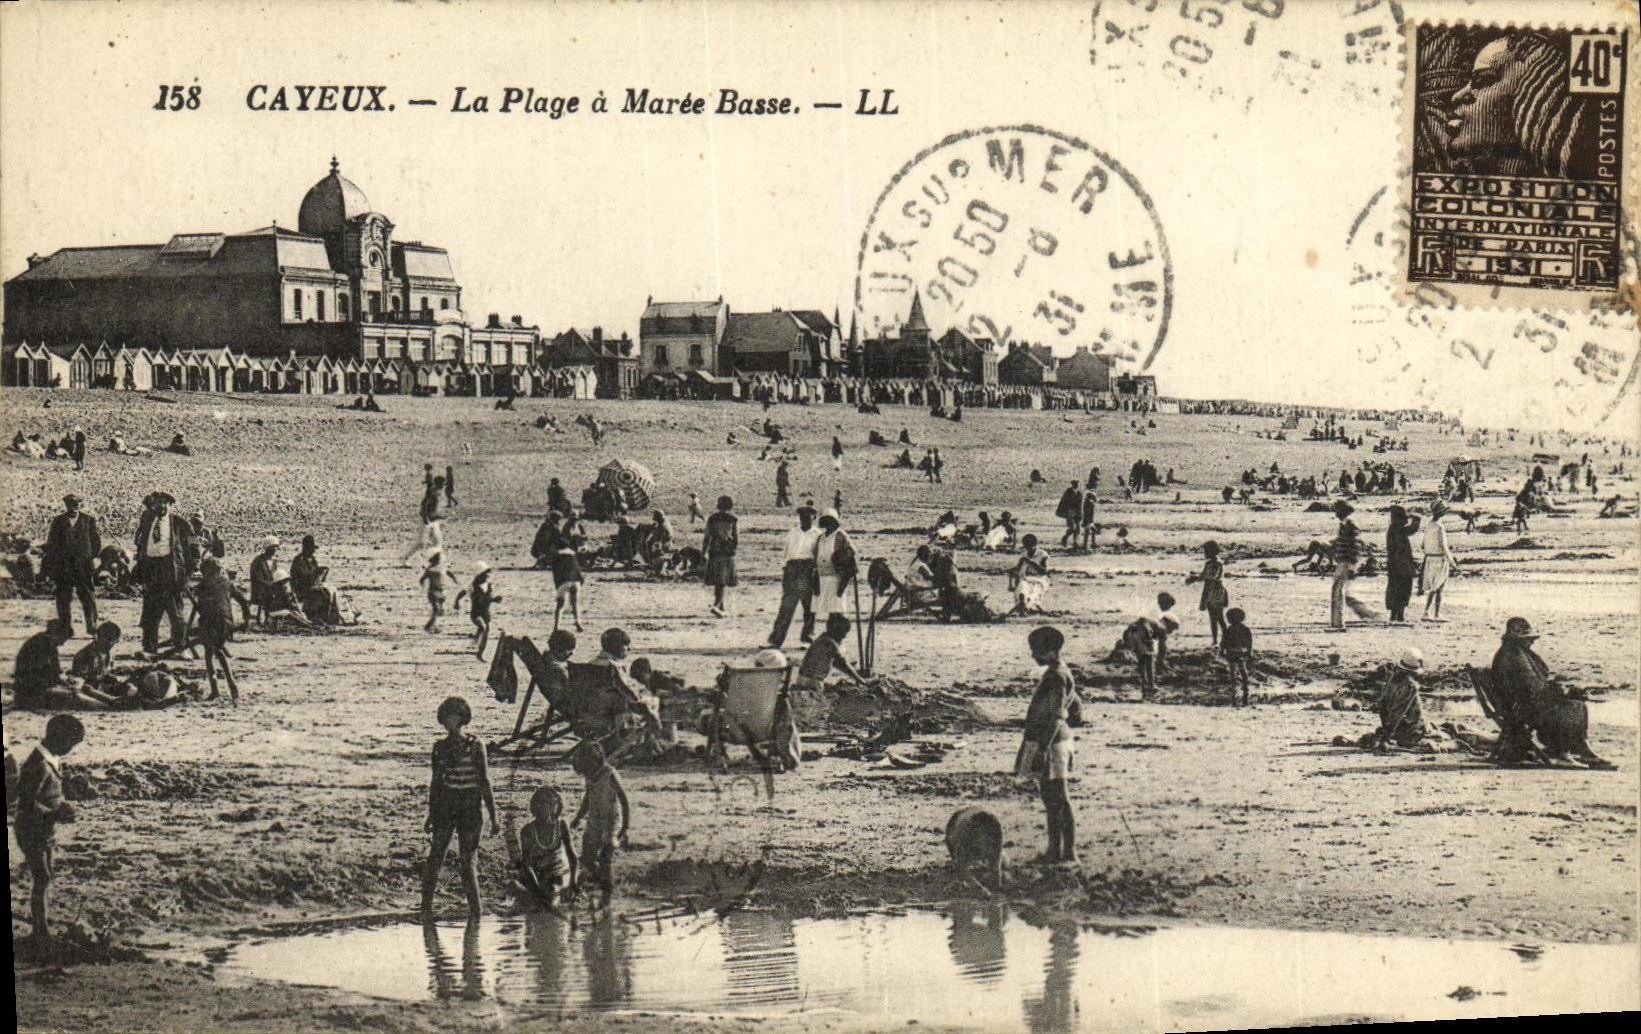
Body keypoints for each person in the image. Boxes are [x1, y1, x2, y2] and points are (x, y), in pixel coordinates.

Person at [1488, 617, 1611, 768]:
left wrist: (1562, 691)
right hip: (1522, 710)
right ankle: (1563, 752)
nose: (1532, 641)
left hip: (1517, 706)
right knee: (1574, 707)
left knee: (1575, 703)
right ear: (1518, 640)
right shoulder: (1515, 657)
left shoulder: (1512, 653)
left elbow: (1532, 687)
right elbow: (1533, 688)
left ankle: (1579, 749)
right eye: (1528, 638)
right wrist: (1563, 691)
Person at [421, 696, 498, 918]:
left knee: (467, 863)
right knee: (435, 858)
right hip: (446, 806)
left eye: (452, 717)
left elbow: (484, 782)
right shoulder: (439, 748)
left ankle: (476, 912)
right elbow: (436, 783)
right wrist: (431, 813)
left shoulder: (475, 746)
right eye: (445, 717)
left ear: (462, 718)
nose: (448, 722)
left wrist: (494, 816)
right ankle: (425, 909)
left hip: (470, 808)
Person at [1013, 626, 1082, 866]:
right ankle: (1055, 850)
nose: (1033, 656)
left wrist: (1042, 749)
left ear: (1052, 651)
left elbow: (1055, 716)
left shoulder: (1056, 676)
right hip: (1052, 739)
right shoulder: (1059, 673)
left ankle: (1069, 852)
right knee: (1050, 797)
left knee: (1059, 797)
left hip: (1052, 743)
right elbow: (1075, 709)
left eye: (1037, 651)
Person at [16, 713, 84, 943]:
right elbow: (26, 803)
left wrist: (61, 805)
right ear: (59, 739)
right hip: (31, 828)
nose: (70, 750)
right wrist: (55, 812)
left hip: (44, 828)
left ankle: (41, 926)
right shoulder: (38, 765)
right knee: (42, 876)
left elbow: (49, 794)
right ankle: (39, 930)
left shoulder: (50, 760)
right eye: (70, 745)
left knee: (46, 875)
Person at [134, 491, 195, 656]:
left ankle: (180, 648)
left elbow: (193, 551)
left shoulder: (180, 524)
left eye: (165, 503)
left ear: (170, 505)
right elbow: (139, 543)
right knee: (150, 613)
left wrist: (186, 574)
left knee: (175, 613)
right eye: (158, 503)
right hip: (151, 571)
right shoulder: (147, 521)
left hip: (171, 571)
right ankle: (149, 648)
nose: (161, 506)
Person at [570, 742, 629, 911]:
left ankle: (606, 898)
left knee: (605, 859)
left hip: (611, 823)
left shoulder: (610, 774)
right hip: (594, 822)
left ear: (596, 761)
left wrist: (625, 827)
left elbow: (624, 801)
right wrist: (578, 817)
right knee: (587, 858)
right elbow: (587, 799)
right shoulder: (590, 776)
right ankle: (604, 882)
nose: (586, 772)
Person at [44, 494, 100, 635]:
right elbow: (52, 544)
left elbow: (96, 543)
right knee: (63, 598)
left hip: (83, 567)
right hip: (64, 567)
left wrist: (89, 558)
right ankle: (65, 628)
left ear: (80, 505)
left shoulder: (88, 520)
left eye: (76, 505)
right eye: (70, 505)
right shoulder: (58, 521)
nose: (74, 508)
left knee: (87, 596)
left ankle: (92, 625)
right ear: (66, 506)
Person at [193, 557, 245, 703]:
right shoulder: (227, 583)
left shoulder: (203, 585)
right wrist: (245, 619)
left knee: (212, 654)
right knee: (217, 651)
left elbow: (201, 607)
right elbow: (242, 601)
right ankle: (230, 688)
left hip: (211, 623)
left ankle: (220, 689)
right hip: (226, 623)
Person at [768, 505, 819, 648]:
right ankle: (776, 640)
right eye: (802, 517)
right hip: (792, 569)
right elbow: (786, 552)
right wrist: (786, 568)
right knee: (786, 606)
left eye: (808, 517)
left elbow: (818, 556)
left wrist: (814, 572)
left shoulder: (817, 535)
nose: (804, 520)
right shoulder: (793, 532)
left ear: (814, 518)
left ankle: (807, 639)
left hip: (807, 569)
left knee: (808, 606)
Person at [516, 786, 576, 908]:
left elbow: (572, 857)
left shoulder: (561, 825)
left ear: (553, 807)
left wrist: (573, 883)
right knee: (513, 885)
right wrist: (536, 889)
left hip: (558, 872)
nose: (540, 806)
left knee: (552, 893)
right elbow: (526, 864)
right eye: (538, 802)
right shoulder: (527, 831)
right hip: (539, 874)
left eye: (545, 803)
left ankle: (551, 900)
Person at [1368, 648, 1429, 750]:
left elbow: (1384, 706)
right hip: (1408, 730)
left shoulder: (1393, 680)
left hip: (1400, 727)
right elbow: (1398, 712)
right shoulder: (1409, 685)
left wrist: (1386, 731)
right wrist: (1389, 734)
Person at [793, 613, 870, 693]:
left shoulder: (821, 639)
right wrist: (860, 680)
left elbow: (838, 663)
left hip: (802, 678)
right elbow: (843, 665)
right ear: (836, 630)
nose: (844, 637)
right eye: (843, 633)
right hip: (812, 682)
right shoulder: (830, 644)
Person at [1121, 593, 1178, 699]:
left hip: (1130, 632)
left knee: (1142, 660)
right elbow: (1162, 648)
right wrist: (1161, 661)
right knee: (1150, 659)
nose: (1171, 632)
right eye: (1173, 628)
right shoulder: (1162, 627)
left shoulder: (1154, 621)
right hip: (1143, 631)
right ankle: (1151, 685)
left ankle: (1144, 684)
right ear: (1168, 623)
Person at [1327, 500, 1372, 631]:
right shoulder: (1345, 524)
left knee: (1338, 590)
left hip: (1347, 562)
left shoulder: (1351, 525)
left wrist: (1353, 565)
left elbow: (1356, 546)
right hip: (1343, 561)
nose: (1335, 513)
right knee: (1343, 592)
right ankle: (1369, 614)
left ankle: (1338, 624)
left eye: (1337, 510)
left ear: (1343, 511)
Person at [12, 618, 73, 707]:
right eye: (63, 639)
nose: (62, 643)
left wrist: (65, 682)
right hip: (29, 692)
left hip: (38, 688)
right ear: (55, 634)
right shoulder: (38, 644)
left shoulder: (50, 646)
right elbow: (38, 673)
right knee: (71, 698)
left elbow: (55, 672)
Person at [811, 508, 857, 626]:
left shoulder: (840, 535)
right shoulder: (821, 537)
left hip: (836, 578)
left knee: (836, 610)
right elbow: (815, 554)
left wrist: (840, 560)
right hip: (822, 577)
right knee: (822, 608)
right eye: (825, 520)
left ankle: (836, 634)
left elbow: (851, 552)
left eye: (830, 520)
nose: (828, 523)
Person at [1421, 502, 1460, 622]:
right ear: (1441, 513)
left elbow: (1423, 545)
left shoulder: (1429, 525)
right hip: (1439, 559)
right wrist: (1453, 563)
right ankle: (1435, 614)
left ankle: (1427, 612)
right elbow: (1444, 546)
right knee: (1439, 588)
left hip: (1429, 559)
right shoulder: (1440, 527)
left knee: (1433, 587)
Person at [1185, 540, 1229, 645]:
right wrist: (1196, 578)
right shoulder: (1213, 563)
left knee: (1218, 617)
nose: (1204, 553)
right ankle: (1217, 640)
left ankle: (1223, 639)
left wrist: (1194, 578)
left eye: (1205, 550)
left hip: (1214, 590)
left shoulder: (1215, 563)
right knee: (1214, 618)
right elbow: (1205, 576)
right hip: (1212, 590)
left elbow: (1209, 577)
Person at [454, 563, 501, 659]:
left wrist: (495, 600)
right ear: (479, 574)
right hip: (476, 613)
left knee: (486, 633)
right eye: (485, 574)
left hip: (486, 613)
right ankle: (475, 641)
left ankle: (480, 653)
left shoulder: (489, 585)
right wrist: (457, 602)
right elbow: (463, 593)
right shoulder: (473, 586)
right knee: (482, 627)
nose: (487, 576)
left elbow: (488, 598)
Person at [1384, 505, 1422, 624]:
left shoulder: (1393, 529)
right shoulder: (1397, 530)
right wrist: (1416, 517)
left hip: (1394, 565)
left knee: (1395, 589)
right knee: (1403, 589)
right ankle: (1399, 616)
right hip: (1401, 565)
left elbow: (1411, 529)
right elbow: (1412, 529)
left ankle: (1394, 615)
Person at [702, 495, 739, 618]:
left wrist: (703, 552)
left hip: (714, 552)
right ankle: (717, 605)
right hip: (727, 552)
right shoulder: (733, 519)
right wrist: (733, 549)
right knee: (722, 581)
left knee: (718, 580)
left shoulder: (712, 519)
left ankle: (721, 607)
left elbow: (707, 537)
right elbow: (736, 537)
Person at [552, 512, 585, 633]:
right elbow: (578, 572)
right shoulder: (572, 555)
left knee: (560, 605)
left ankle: (556, 627)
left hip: (564, 581)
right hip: (575, 580)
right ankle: (578, 622)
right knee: (575, 603)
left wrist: (557, 586)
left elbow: (556, 573)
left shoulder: (557, 556)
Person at [403, 475, 447, 566]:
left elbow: (435, 508)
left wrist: (439, 516)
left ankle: (437, 561)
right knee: (421, 543)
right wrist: (425, 517)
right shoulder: (432, 492)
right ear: (438, 484)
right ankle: (406, 559)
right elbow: (424, 505)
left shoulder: (439, 492)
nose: (443, 486)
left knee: (438, 541)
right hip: (427, 520)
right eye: (442, 484)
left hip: (434, 521)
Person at [1009, 534, 1051, 615]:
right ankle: (1022, 604)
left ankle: (1026, 607)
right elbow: (1018, 568)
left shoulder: (1043, 555)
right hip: (1027, 578)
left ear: (1035, 545)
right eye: (1026, 547)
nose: (1028, 549)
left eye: (1029, 547)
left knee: (1034, 592)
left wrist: (1030, 562)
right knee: (1022, 588)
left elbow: (1044, 571)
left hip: (1040, 579)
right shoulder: (1025, 555)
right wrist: (1011, 573)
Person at [1221, 607, 1253, 706]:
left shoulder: (1229, 629)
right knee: (1242, 668)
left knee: (1233, 670)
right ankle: (1245, 685)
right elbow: (1249, 642)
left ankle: (1234, 686)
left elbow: (1224, 641)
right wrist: (1249, 651)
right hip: (1241, 651)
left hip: (1231, 651)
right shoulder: (1245, 629)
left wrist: (1222, 650)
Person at [250, 535, 281, 621]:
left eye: (276, 547)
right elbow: (258, 579)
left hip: (270, 588)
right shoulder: (258, 562)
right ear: (267, 548)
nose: (275, 550)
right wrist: (272, 586)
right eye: (273, 547)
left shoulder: (273, 562)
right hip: (261, 591)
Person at [420, 551, 451, 633]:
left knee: (439, 611)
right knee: (436, 609)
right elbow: (422, 579)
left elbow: (449, 573)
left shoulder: (441, 568)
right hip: (433, 592)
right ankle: (429, 627)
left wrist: (455, 580)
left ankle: (433, 626)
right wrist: (423, 586)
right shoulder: (430, 570)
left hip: (442, 591)